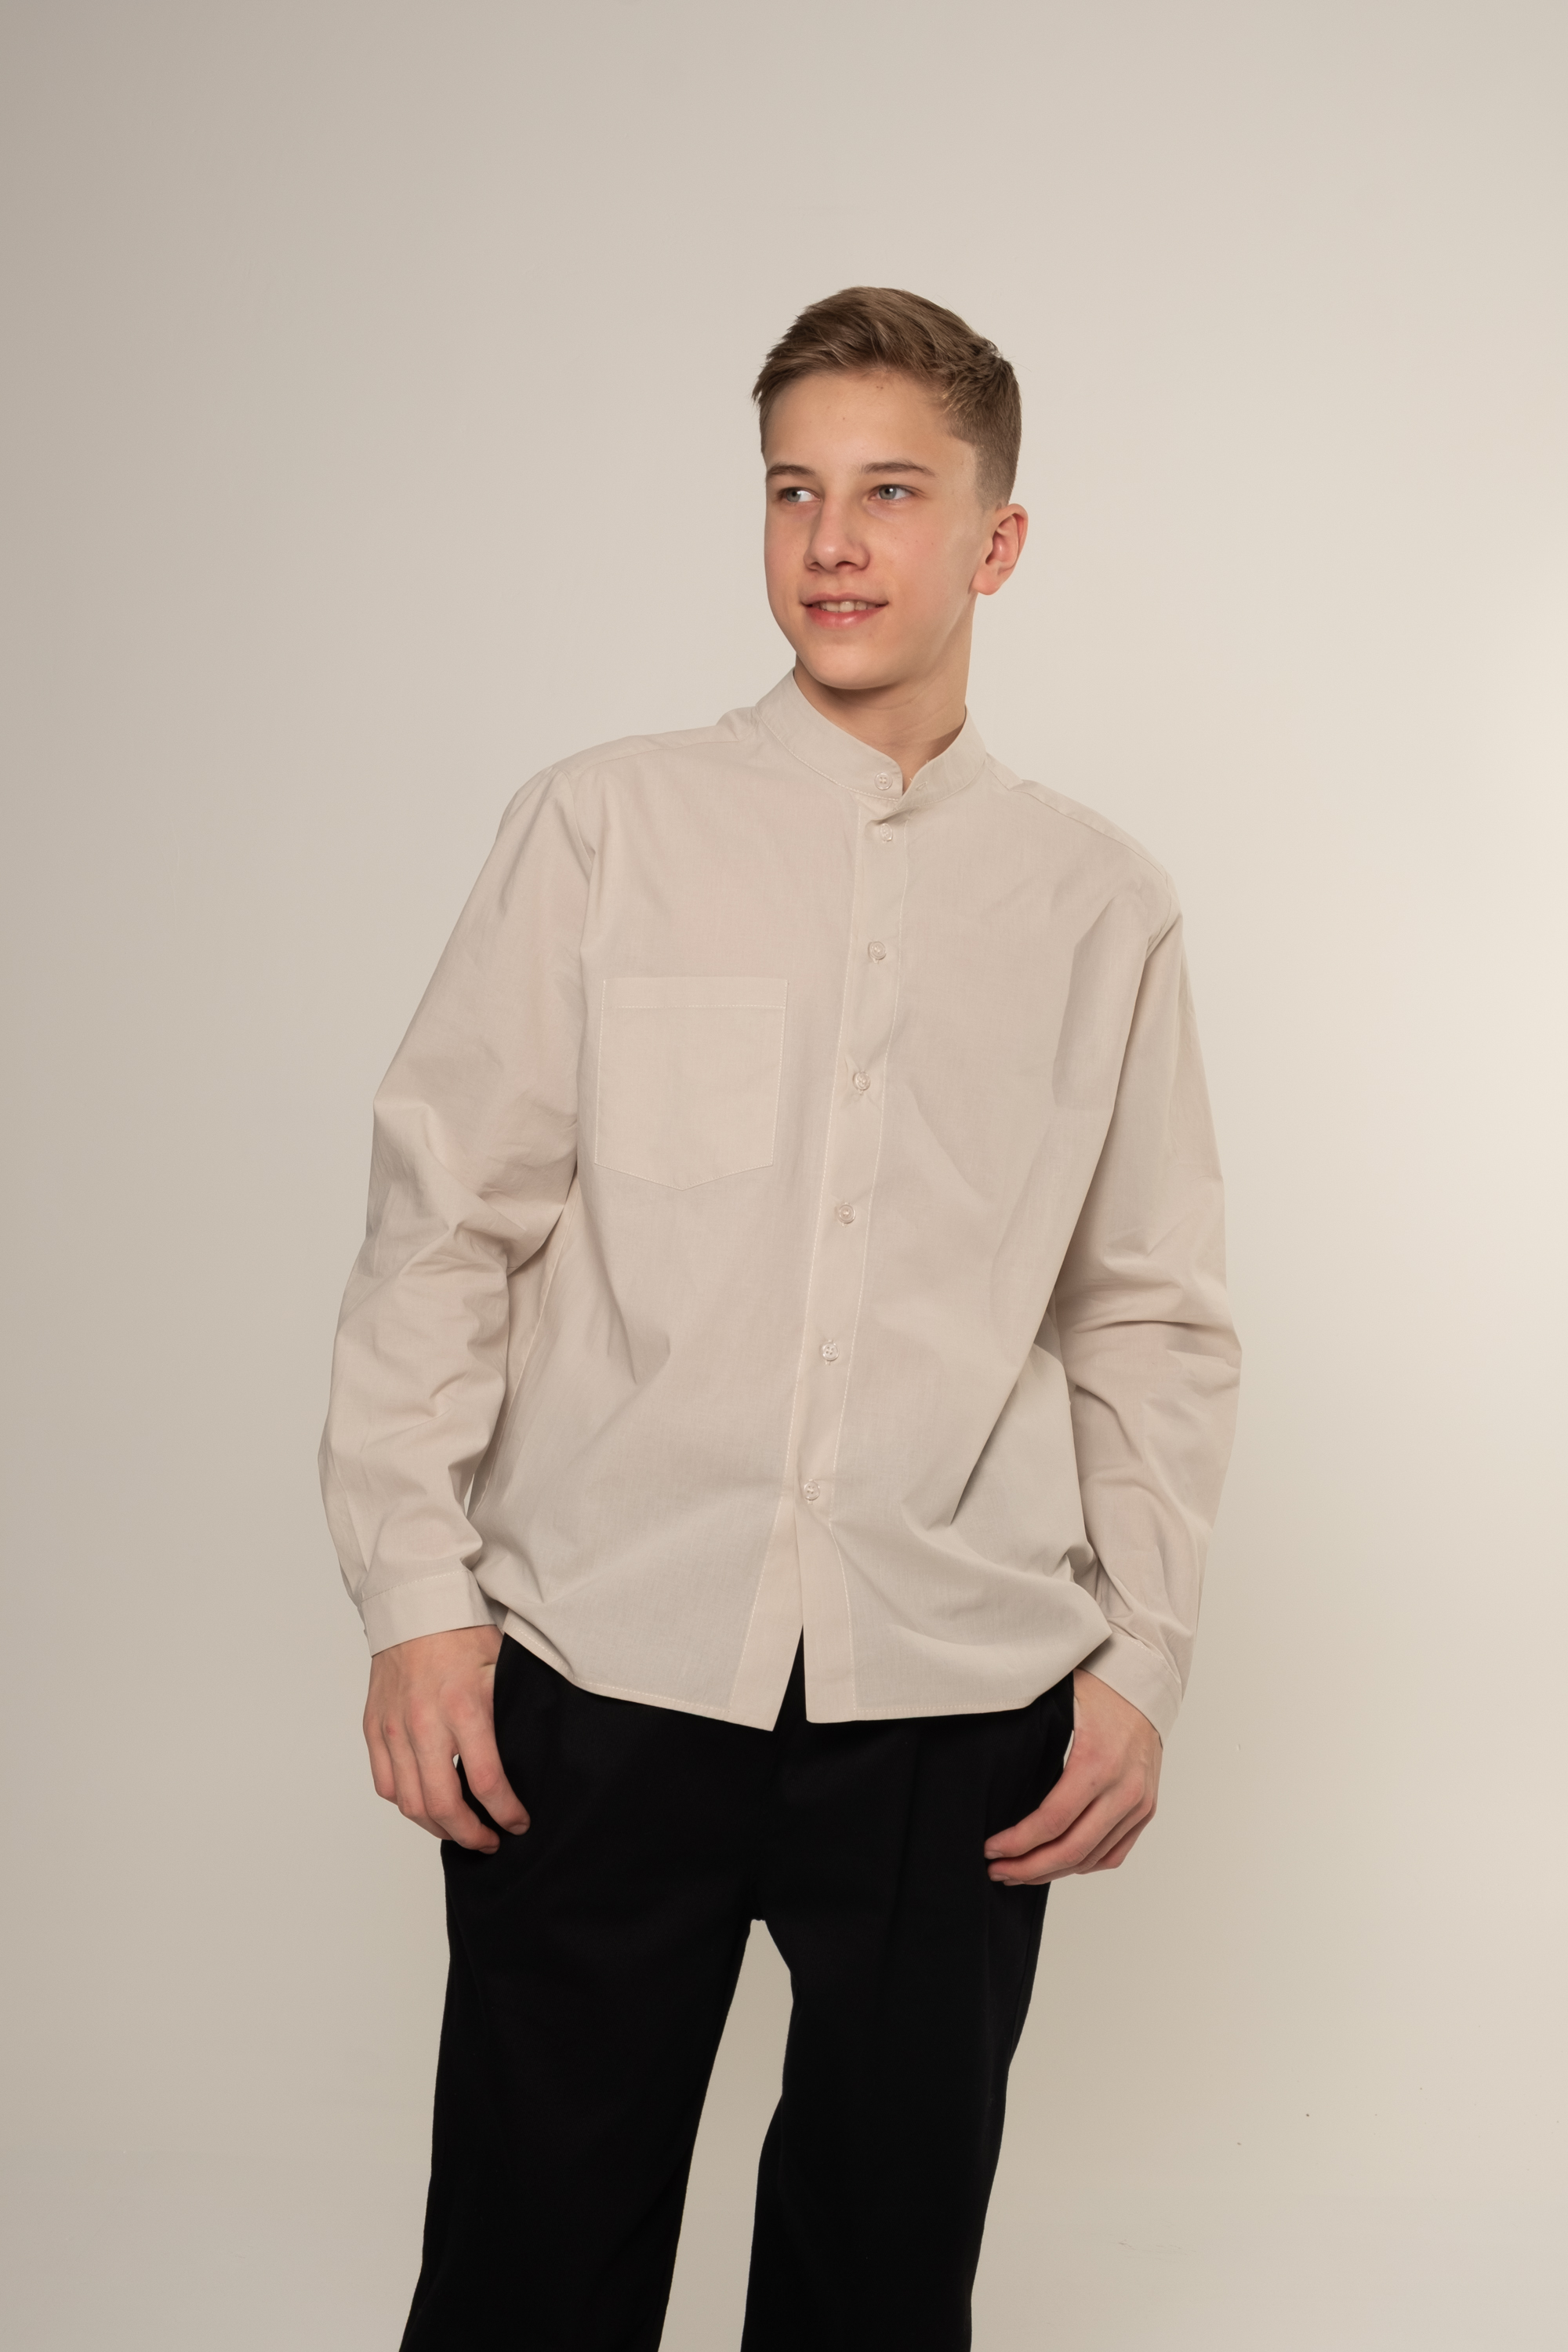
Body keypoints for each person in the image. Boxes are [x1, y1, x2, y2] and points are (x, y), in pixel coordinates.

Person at [320, 285, 1240, 2352]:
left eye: (892, 493)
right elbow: (445, 1225)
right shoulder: (604, 826)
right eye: (793, 491)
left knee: (881, 2287)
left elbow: (1149, 1311)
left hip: (956, 1694)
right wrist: (415, 1595)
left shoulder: (1099, 903)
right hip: (603, 1661)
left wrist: (1145, 1655)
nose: (832, 542)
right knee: (531, 2273)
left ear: (998, 540)